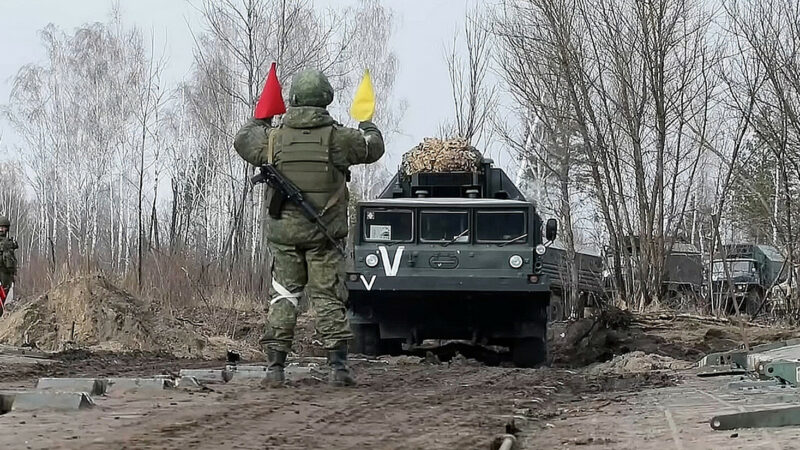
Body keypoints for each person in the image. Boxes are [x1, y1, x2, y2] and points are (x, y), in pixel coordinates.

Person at [233, 69, 385, 387]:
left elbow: (243, 140)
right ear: (326, 99)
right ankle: (338, 368)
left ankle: (275, 368)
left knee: (284, 295)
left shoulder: (273, 138)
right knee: (328, 297)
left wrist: (263, 117)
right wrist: (367, 120)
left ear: (295, 100)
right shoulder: (340, 139)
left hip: (284, 235)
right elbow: (373, 147)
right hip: (324, 235)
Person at [0, 216, 18, 301]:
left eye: (3, 227)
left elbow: (11, 260)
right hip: (3, 271)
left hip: (6, 273)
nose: (1, 229)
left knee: (4, 295)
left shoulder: (8, 242)